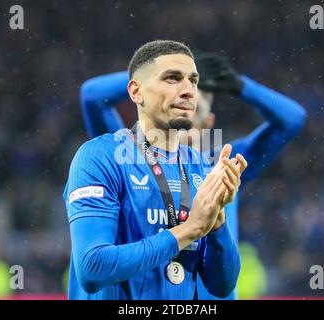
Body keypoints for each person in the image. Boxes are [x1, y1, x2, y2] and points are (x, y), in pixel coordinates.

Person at [78, 48, 307, 300]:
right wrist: (155, 69)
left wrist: (239, 85)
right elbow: (92, 95)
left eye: (192, 86)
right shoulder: (124, 155)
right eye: (173, 82)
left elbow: (292, 119)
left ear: (207, 123)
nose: (184, 96)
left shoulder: (220, 165)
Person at [63, 40, 247, 300]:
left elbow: (222, 286)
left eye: (193, 81)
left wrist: (218, 225)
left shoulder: (203, 167)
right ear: (136, 91)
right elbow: (93, 268)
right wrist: (188, 229)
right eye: (172, 79)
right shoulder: (100, 156)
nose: (188, 91)